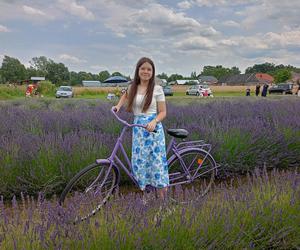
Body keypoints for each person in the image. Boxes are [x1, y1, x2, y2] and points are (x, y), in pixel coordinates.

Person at [113, 57, 169, 200]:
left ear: (152, 72)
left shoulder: (157, 89)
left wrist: (154, 121)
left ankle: (164, 203)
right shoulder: (133, 87)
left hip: (153, 130)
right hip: (138, 129)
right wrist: (118, 106)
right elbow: (125, 95)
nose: (145, 71)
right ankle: (148, 195)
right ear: (138, 70)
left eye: (149, 69)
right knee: (140, 163)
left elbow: (163, 112)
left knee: (156, 165)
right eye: (143, 68)